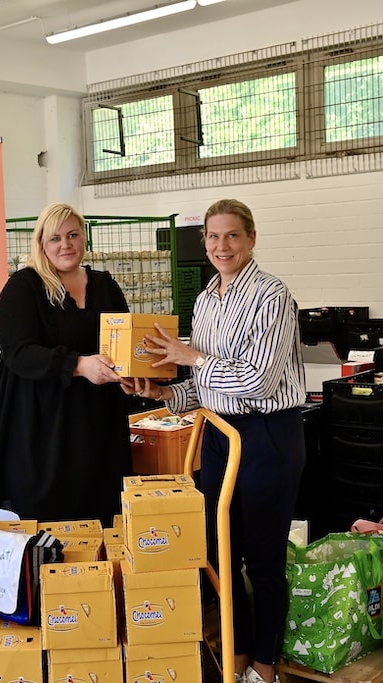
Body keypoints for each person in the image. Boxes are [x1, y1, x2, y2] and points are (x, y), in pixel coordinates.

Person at [123, 199, 306, 683]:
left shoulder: (272, 296)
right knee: (222, 554)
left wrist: (191, 354)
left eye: (232, 236)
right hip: (219, 435)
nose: (221, 246)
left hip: (267, 434)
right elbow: (207, 387)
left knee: (264, 561)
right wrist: (163, 391)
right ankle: (238, 654)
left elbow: (257, 382)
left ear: (251, 239)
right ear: (203, 241)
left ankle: (265, 668)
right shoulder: (205, 299)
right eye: (213, 236)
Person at [0, 202, 133, 527]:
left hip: (98, 427)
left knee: (101, 522)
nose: (66, 244)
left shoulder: (105, 285)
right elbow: (17, 351)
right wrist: (78, 364)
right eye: (56, 238)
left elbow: (125, 340)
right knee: (49, 529)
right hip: (42, 431)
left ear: (84, 238)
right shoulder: (23, 287)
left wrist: (131, 374)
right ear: (42, 244)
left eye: (73, 234)